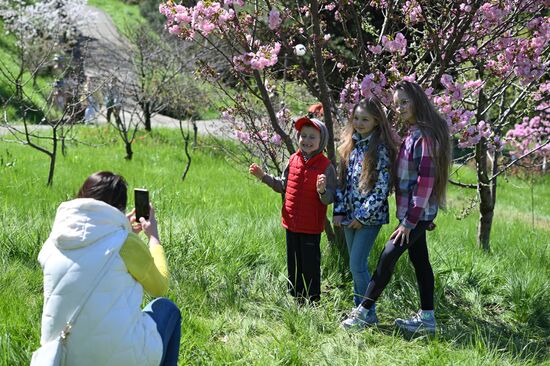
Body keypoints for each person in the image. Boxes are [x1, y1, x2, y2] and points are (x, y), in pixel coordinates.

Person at [36, 172, 181, 365]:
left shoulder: (54, 241)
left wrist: (122, 228)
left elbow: (91, 247)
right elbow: (159, 285)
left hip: (61, 356)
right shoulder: (125, 243)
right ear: (119, 208)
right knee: (167, 308)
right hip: (120, 358)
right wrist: (153, 237)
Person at [341, 81, 451, 334]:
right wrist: (421, 215)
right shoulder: (415, 133)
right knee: (420, 261)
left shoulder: (424, 135)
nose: (399, 108)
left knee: (387, 257)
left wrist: (411, 221)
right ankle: (427, 319)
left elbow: (425, 181)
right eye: (396, 103)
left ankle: (364, 312)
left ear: (418, 102)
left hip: (413, 216)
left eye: (404, 102)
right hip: (416, 213)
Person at [249, 117, 336, 302]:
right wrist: (263, 176)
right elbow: (283, 185)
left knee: (310, 264)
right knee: (293, 262)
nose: (306, 140)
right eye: (303, 136)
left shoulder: (325, 166)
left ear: (322, 141)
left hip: (310, 226)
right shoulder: (294, 159)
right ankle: (295, 297)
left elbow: (330, 197)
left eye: (312, 137)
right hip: (291, 222)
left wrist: (322, 190)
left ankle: (312, 299)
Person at [333, 97, 398, 322]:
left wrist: (362, 217)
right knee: (355, 265)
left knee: (357, 264)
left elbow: (381, 190)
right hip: (349, 215)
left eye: (365, 119)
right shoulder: (351, 145)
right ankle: (358, 308)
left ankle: (366, 313)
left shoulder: (379, 149)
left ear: (377, 122)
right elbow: (342, 182)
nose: (359, 123)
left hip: (369, 218)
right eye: (356, 118)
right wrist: (339, 211)